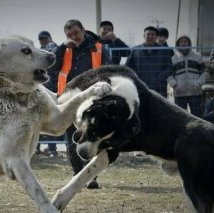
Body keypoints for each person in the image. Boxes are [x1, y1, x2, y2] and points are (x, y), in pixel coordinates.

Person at [49, 19, 111, 188]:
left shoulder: (98, 48)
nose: (73, 37)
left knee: (91, 137)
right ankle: (77, 174)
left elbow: (109, 71)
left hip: (93, 99)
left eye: (76, 32)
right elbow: (52, 68)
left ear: (84, 30)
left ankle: (91, 177)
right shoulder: (63, 50)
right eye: (69, 34)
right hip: (68, 99)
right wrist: (62, 47)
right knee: (71, 137)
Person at [167, 35, 209, 117]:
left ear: (189, 43)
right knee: (180, 117)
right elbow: (169, 74)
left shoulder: (197, 56)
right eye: (181, 42)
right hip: (179, 93)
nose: (183, 43)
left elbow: (205, 72)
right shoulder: (173, 59)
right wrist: (175, 85)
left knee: (197, 117)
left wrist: (199, 84)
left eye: (185, 41)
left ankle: (197, 130)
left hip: (195, 93)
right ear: (178, 44)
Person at [125, 26, 172, 97]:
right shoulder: (136, 50)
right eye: (148, 34)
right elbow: (128, 67)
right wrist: (136, 78)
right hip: (140, 87)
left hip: (159, 88)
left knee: (159, 107)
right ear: (144, 35)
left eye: (153, 34)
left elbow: (169, 68)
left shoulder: (164, 50)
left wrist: (159, 79)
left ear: (156, 37)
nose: (150, 36)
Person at [36, 30, 59, 157]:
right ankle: (37, 148)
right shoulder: (38, 52)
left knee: (51, 120)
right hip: (41, 90)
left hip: (54, 90)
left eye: (45, 38)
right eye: (41, 39)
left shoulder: (54, 49)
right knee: (38, 121)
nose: (43, 40)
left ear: (50, 38)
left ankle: (52, 149)